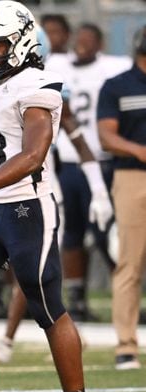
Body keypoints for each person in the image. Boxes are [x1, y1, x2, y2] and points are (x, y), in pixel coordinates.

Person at [0, 0, 99, 392]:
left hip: (27, 210)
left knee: (47, 307)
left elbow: (32, 155)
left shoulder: (37, 84)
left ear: (22, 41)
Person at [49, 23, 131, 323]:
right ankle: (77, 298)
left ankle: (124, 295)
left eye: (89, 40)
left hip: (101, 161)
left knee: (107, 233)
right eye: (79, 39)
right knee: (71, 233)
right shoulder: (57, 64)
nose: (82, 45)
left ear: (100, 44)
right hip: (68, 163)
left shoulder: (114, 67)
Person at [97, 25, 146, 370]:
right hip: (133, 177)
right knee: (130, 261)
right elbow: (106, 137)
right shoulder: (117, 86)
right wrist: (141, 151)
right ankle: (126, 344)